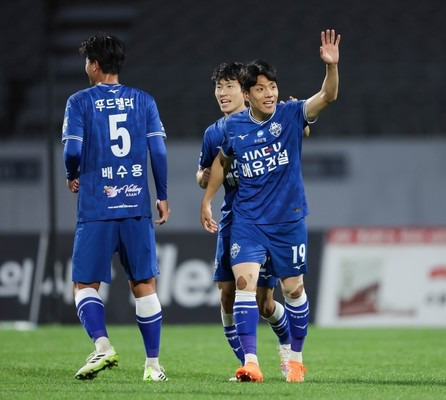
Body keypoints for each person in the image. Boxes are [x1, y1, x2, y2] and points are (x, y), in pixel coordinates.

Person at [201, 29, 341, 383]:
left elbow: (327, 96)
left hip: (288, 220)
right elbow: (220, 162)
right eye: (260, 89)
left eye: (272, 87)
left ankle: (295, 358)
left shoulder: (291, 114)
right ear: (247, 95)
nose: (269, 93)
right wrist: (207, 200)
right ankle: (251, 362)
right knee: (242, 286)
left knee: (292, 290)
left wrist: (332, 67)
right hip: (247, 220)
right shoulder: (231, 127)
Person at [61, 33, 170, 382]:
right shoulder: (144, 100)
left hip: (97, 205)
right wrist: (162, 194)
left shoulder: (79, 102)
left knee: (84, 285)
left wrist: (71, 174)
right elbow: (160, 152)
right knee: (144, 285)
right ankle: (152, 367)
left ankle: (103, 346)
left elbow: (72, 151)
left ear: (94, 64)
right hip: (135, 204)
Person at [196, 62, 293, 380]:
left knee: (266, 305)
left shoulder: (267, 122)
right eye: (218, 87)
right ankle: (249, 363)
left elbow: (296, 133)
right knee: (227, 294)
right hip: (233, 221)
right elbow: (203, 173)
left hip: (267, 223)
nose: (222, 93)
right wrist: (205, 178)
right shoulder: (213, 133)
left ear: (246, 92)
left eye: (229, 86)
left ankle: (287, 347)